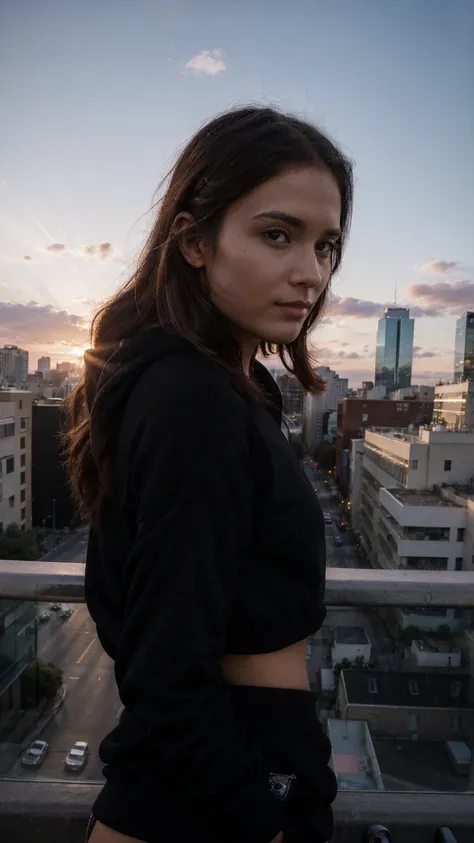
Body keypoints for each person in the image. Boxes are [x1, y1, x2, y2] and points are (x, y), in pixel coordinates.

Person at [65, 105, 353, 843]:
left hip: (217, 775)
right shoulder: (193, 398)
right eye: (277, 234)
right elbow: (167, 667)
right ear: (194, 241)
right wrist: (267, 819)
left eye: (326, 245)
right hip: (215, 793)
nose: (310, 273)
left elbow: (134, 603)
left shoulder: (216, 385)